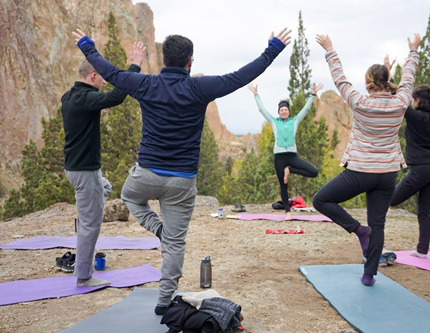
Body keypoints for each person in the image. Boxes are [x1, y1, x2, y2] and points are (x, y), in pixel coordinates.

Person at [72, 27, 291, 313]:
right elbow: (241, 77)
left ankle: (158, 230)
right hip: (181, 182)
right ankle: (164, 303)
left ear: (164, 60)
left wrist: (86, 45)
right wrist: (273, 48)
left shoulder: (145, 84)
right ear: (190, 62)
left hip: (146, 176)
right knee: (175, 244)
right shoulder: (199, 88)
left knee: (128, 196)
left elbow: (109, 71)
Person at [313, 33, 421, 286]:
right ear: (387, 83)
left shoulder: (359, 102)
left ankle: (359, 230)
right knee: (379, 223)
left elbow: (339, 78)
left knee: (321, 199)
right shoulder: (401, 102)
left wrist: (330, 49)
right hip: (387, 174)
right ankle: (369, 274)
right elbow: (409, 78)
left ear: (368, 82)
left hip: (361, 171)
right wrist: (413, 50)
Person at [61, 41, 146, 287]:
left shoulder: (69, 96)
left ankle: (84, 221)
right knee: (91, 225)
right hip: (84, 170)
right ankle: (84, 277)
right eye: (102, 78)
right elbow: (118, 96)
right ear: (94, 75)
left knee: (103, 189)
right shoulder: (86, 98)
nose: (105, 82)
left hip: (77, 169)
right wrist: (135, 65)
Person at [389, 59, 430, 259]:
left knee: (392, 199)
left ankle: (373, 236)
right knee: (424, 210)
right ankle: (422, 251)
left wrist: (389, 79)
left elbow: (398, 100)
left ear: (418, 101)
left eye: (413, 100)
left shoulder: (415, 116)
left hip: (421, 169)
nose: (411, 102)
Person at [247, 83, 322, 220]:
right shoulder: (274, 122)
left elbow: (306, 109)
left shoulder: (295, 121)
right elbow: (262, 109)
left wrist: (312, 94)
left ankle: (290, 170)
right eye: (281, 110)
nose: (284, 111)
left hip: (292, 157)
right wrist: (256, 94)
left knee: (314, 172)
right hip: (279, 158)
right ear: (279, 112)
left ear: (288, 111)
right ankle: (287, 212)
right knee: (283, 185)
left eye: (285, 109)